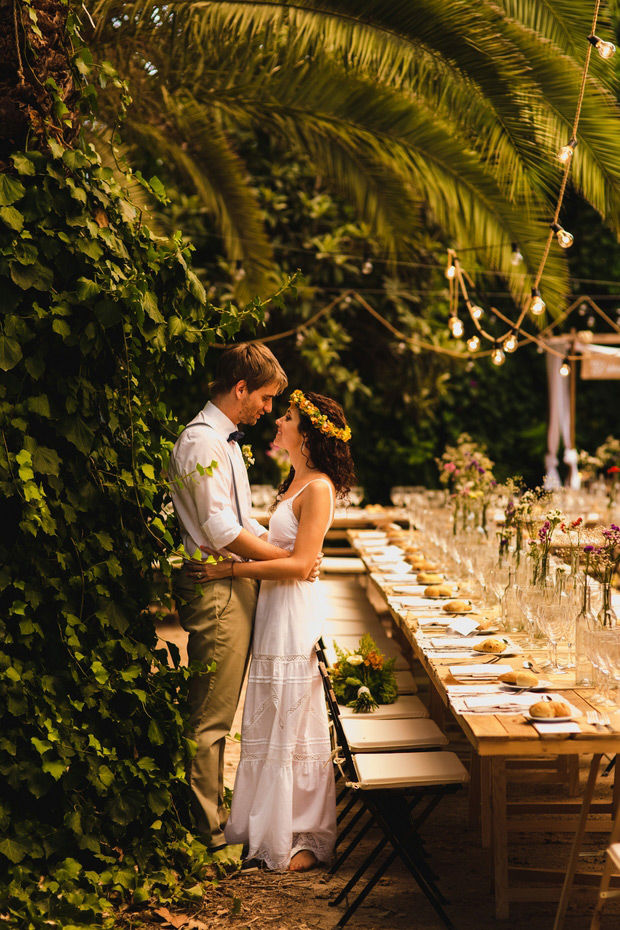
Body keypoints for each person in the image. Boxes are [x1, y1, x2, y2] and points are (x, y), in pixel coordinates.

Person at [188, 389, 355, 872]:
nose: (278, 421)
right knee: (271, 715)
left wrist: (229, 572)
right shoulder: (294, 481)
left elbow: (303, 565)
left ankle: (300, 834)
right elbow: (286, 549)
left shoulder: (318, 487)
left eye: (288, 417)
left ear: (307, 434)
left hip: (292, 610)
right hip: (273, 609)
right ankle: (265, 825)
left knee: (294, 717)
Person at [169, 342, 295, 853]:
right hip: (216, 589)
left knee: (218, 713)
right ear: (240, 389)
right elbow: (220, 528)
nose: (268, 410)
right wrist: (275, 560)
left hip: (230, 581)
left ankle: (208, 823)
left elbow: (240, 520)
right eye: (264, 398)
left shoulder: (224, 441)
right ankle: (206, 840)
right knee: (211, 718)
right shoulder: (201, 442)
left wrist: (284, 545)